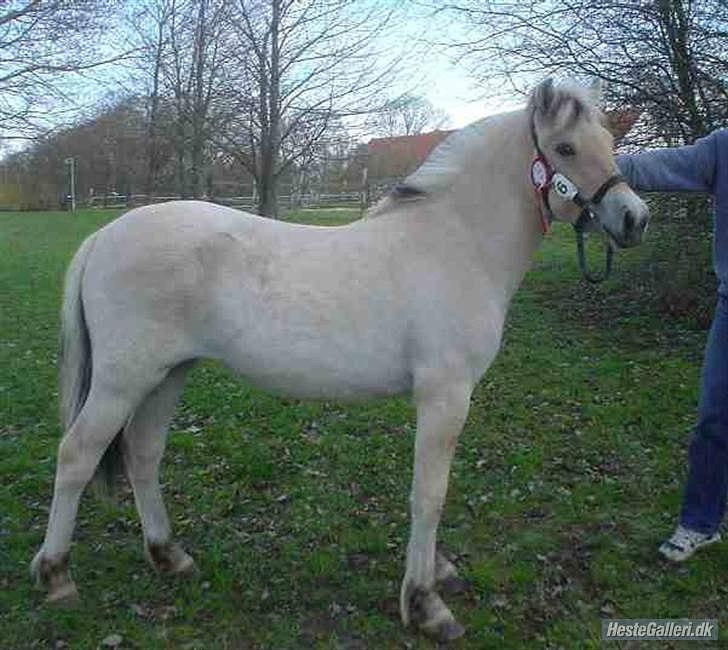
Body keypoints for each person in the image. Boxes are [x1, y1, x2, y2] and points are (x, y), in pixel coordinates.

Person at [617, 128, 728, 561]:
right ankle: (700, 523)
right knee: (714, 421)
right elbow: (658, 165)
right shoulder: (722, 149)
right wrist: (591, 165)